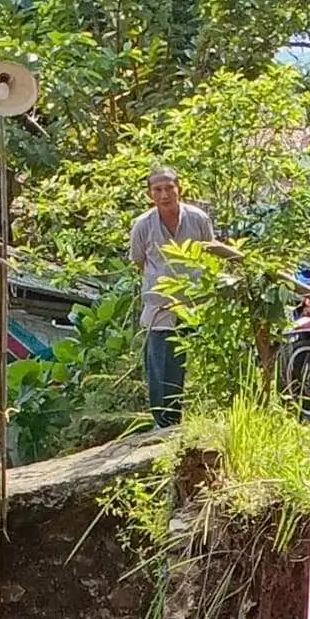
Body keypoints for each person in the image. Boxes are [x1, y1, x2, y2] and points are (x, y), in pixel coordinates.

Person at [131, 163, 213, 424]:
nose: (164, 195)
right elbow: (139, 261)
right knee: (160, 366)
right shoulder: (142, 225)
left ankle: (199, 418)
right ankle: (164, 423)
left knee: (196, 363)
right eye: (158, 190)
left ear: (180, 189)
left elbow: (211, 254)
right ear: (150, 194)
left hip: (195, 304)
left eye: (169, 188)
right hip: (160, 308)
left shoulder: (198, 219)